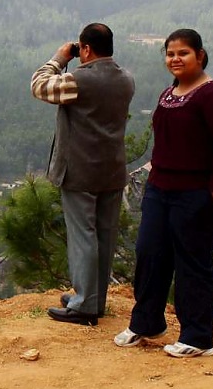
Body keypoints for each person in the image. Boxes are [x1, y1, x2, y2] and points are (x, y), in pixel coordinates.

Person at [115, 28, 213, 356]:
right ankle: (147, 322)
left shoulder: (212, 95)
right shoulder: (168, 93)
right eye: (170, 53)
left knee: (192, 262)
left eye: (183, 53)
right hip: (160, 189)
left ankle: (198, 338)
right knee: (150, 254)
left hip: (197, 193)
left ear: (200, 55)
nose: (175, 59)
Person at [31, 22, 135, 326]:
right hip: (113, 169)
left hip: (80, 170)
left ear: (85, 49)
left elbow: (39, 85)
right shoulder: (126, 79)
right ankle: (94, 299)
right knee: (104, 236)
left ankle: (83, 304)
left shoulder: (78, 80)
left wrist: (59, 58)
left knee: (83, 237)